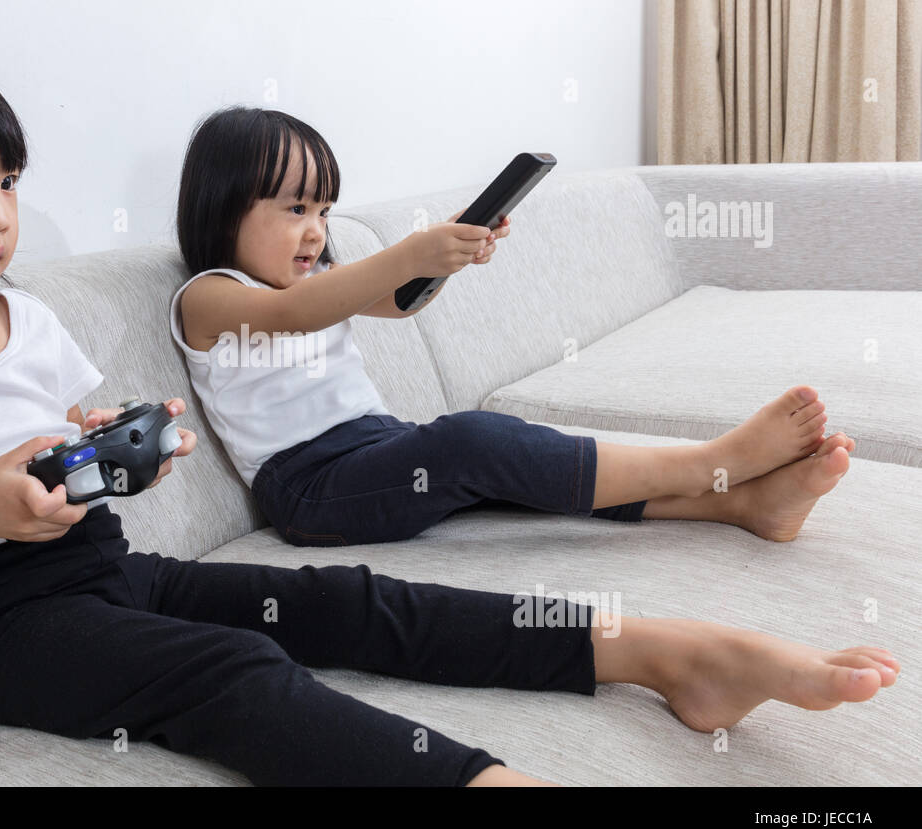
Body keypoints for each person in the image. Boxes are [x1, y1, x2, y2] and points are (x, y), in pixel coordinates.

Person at [0, 27, 898, 787]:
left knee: (357, 602)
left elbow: (81, 438)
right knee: (235, 676)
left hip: (114, 569)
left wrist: (129, 446)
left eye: (7, 181)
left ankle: (665, 650)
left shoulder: (28, 319)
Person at [171, 105, 857, 548]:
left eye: (324, 211)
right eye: (296, 210)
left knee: (516, 463)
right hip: (310, 488)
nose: (316, 231)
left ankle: (735, 506)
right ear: (223, 208)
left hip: (374, 445)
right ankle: (712, 464)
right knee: (473, 440)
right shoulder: (211, 298)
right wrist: (409, 251)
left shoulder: (316, 280)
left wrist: (445, 262)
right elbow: (293, 317)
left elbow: (399, 302)